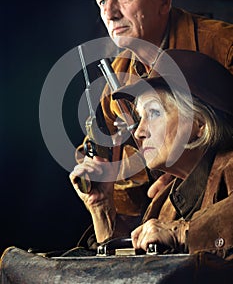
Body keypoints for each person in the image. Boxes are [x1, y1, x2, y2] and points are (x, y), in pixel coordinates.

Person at [67, 0, 233, 238]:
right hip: (158, 222)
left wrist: (190, 169)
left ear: (164, 1)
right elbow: (111, 179)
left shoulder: (225, 47)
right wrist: (98, 183)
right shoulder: (114, 86)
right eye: (102, 1)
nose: (110, 12)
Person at [70, 49, 233, 261]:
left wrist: (183, 232)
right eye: (139, 117)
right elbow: (131, 273)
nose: (138, 131)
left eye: (154, 113)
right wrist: (102, 209)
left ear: (199, 123)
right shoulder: (162, 203)